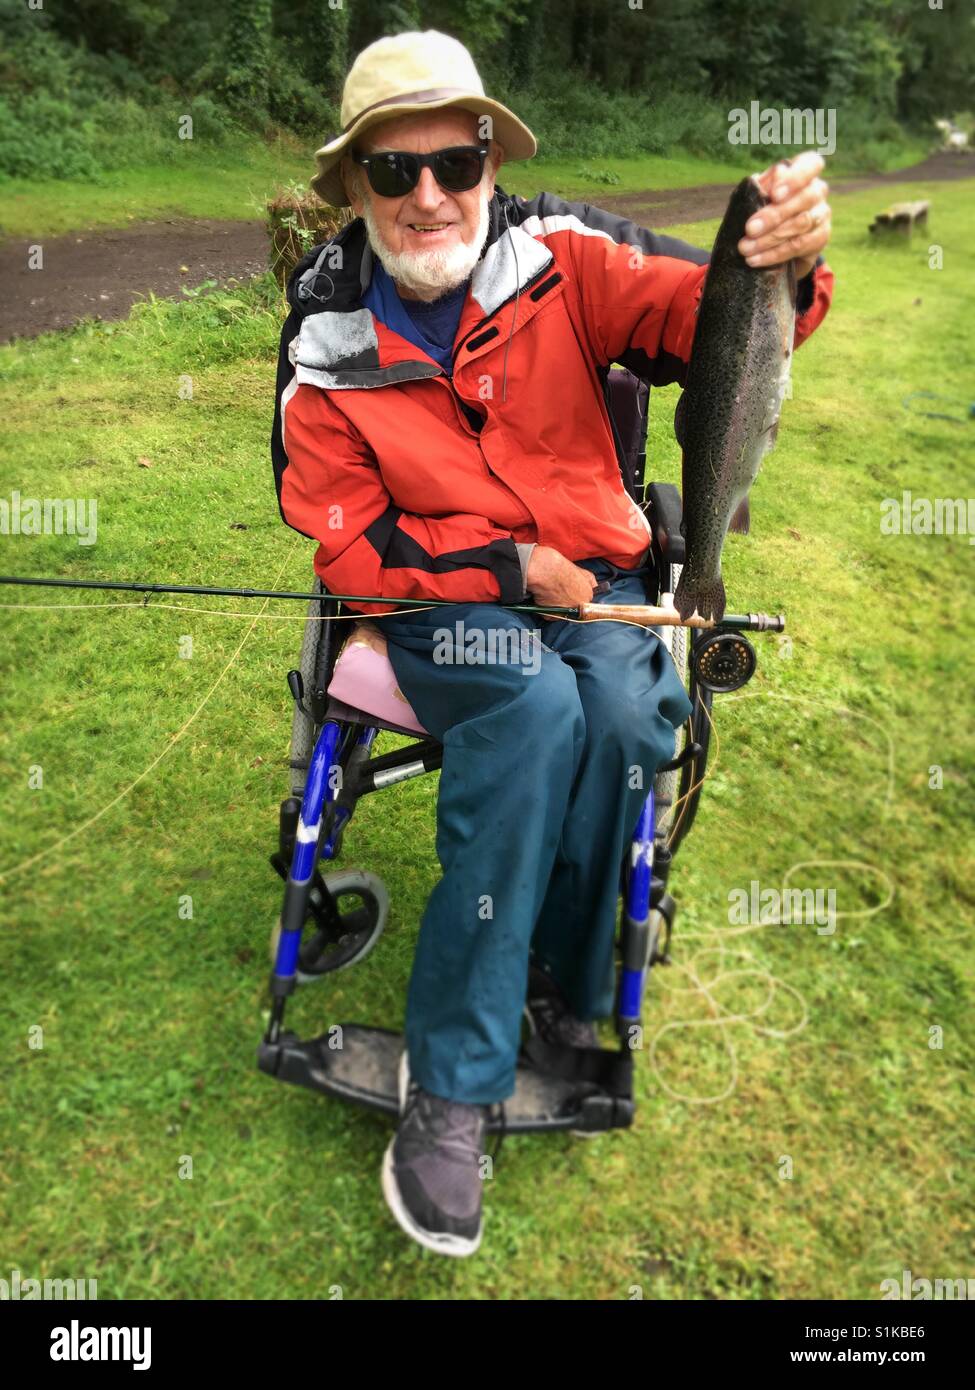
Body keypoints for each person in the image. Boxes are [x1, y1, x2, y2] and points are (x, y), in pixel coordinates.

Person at [270, 29, 834, 1257]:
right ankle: (456, 1082)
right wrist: (506, 568)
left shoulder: (570, 255)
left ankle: (557, 990)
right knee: (529, 710)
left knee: (633, 716)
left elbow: (722, 326)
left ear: (488, 161)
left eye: (456, 161)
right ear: (355, 184)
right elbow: (345, 541)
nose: (430, 194)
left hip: (611, 575)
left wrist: (785, 259)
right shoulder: (324, 341)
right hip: (444, 598)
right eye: (393, 168)